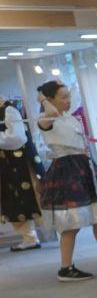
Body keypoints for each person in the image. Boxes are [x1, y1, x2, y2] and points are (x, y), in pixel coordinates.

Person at [34, 81, 97, 282]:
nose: (68, 100)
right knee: (71, 225)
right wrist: (42, 98)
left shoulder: (69, 117)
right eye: (62, 97)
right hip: (66, 171)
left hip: (83, 168)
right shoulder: (46, 117)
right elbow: (52, 115)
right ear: (50, 99)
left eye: (68, 96)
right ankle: (66, 267)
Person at [0, 97, 43, 251]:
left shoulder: (9, 110)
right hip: (8, 166)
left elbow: (18, 138)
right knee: (14, 200)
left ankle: (63, 230)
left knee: (32, 196)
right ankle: (29, 238)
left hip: (20, 165)